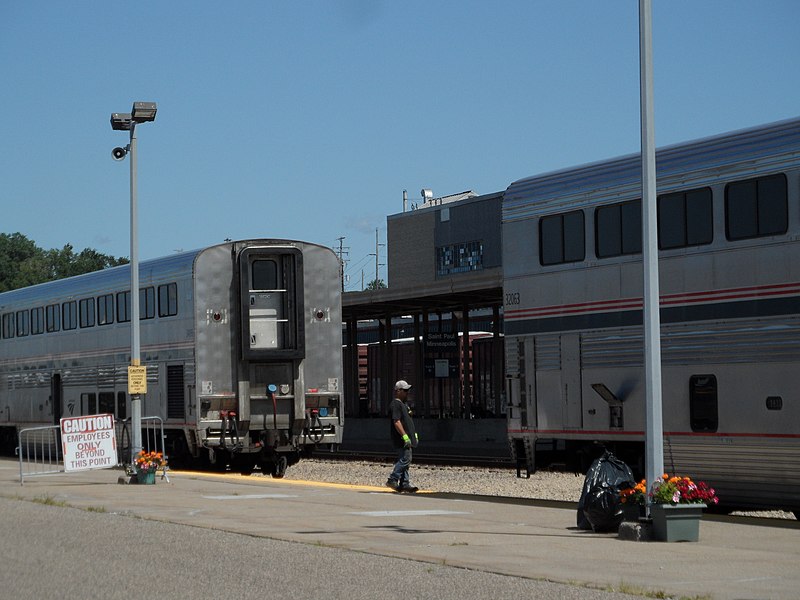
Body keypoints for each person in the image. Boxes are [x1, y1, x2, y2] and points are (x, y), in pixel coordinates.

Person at [386, 380, 419, 493]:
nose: (407, 392)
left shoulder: (404, 404)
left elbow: (408, 422)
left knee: (405, 460)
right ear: (398, 391)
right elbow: (397, 421)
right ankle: (393, 479)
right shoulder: (396, 404)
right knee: (406, 459)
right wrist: (405, 436)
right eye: (405, 390)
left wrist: (414, 435)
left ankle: (405, 483)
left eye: (408, 390)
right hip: (401, 439)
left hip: (407, 437)